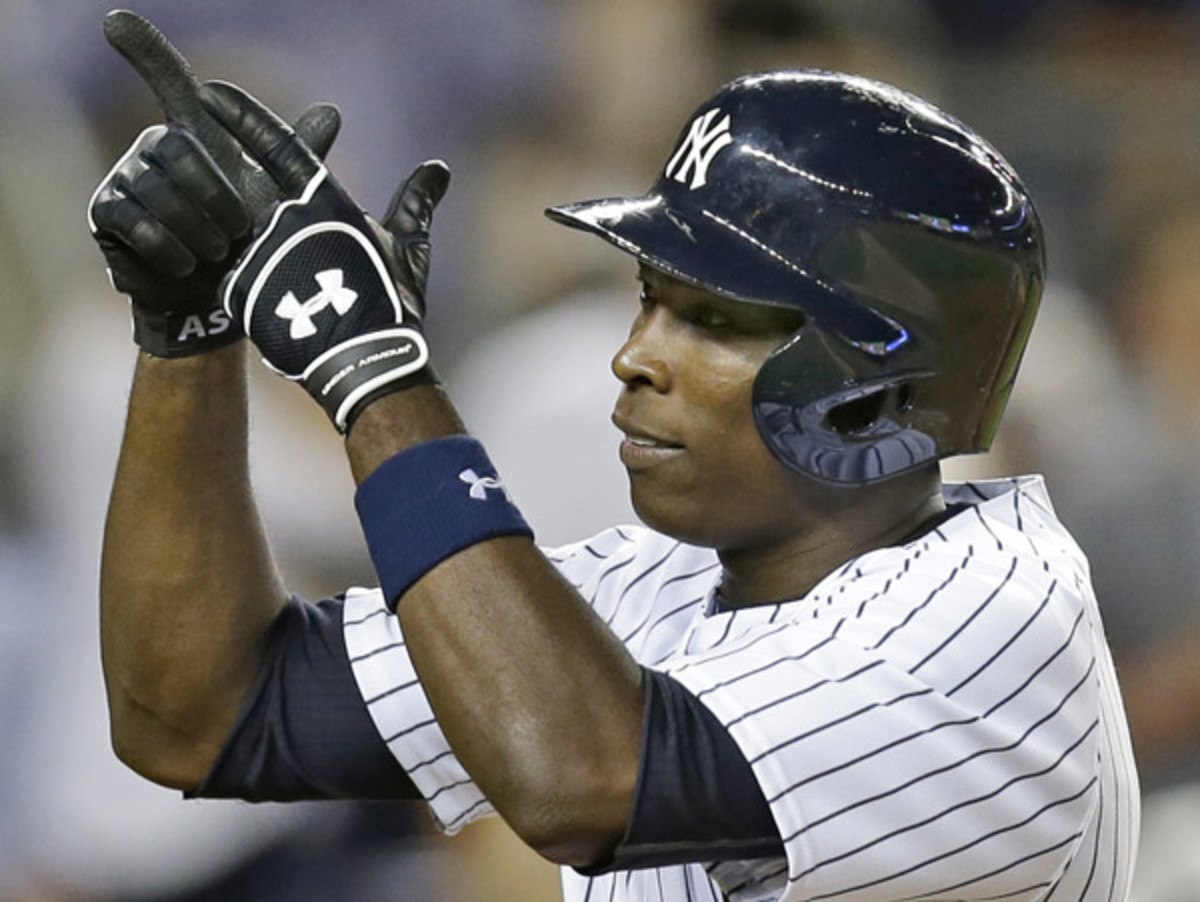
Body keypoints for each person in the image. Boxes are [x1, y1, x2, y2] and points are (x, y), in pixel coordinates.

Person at [88, 15, 1139, 900]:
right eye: (652, 297)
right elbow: (202, 713)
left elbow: (582, 779)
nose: (636, 355)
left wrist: (374, 373)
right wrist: (189, 334)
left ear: (883, 385)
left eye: (716, 319)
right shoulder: (659, 580)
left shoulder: (998, 616)